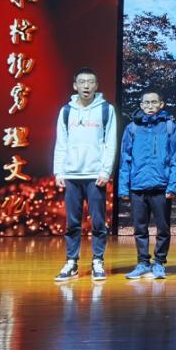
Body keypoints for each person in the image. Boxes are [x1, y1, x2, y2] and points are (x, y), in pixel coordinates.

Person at [52, 67, 118, 282]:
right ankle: (71, 263)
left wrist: (105, 171)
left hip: (95, 175)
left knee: (98, 222)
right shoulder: (66, 111)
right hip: (72, 175)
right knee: (72, 223)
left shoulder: (106, 110)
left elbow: (110, 143)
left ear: (96, 86)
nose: (86, 86)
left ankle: (98, 261)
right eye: (82, 82)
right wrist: (59, 170)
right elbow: (61, 143)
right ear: (75, 86)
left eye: (90, 82)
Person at [118, 89, 176, 281]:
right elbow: (125, 159)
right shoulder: (132, 128)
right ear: (141, 105)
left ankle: (159, 263)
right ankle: (142, 263)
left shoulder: (170, 127)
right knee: (140, 228)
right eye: (146, 103)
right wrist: (123, 187)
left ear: (161, 105)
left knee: (163, 229)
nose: (150, 106)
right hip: (137, 187)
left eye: (154, 102)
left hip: (161, 187)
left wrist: (173, 186)